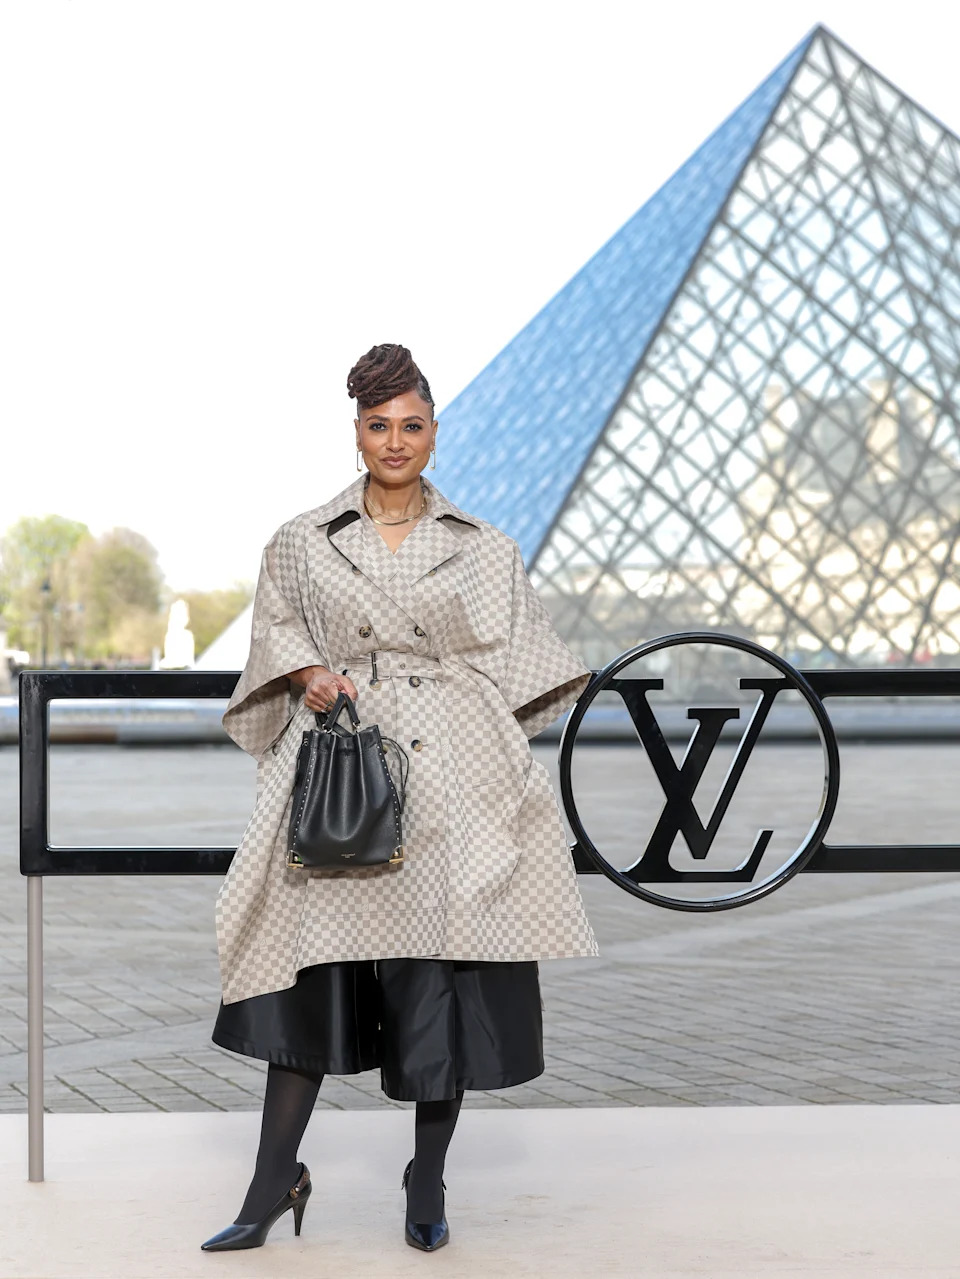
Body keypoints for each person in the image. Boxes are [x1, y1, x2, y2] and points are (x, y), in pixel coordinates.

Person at [200, 342, 599, 1255]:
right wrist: (306, 671)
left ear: (435, 432)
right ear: (356, 431)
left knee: (437, 983)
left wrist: (481, 747)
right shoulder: (302, 537)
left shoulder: (484, 545)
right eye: (378, 425)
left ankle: (427, 1176)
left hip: (448, 777)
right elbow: (276, 630)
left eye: (411, 425)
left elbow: (526, 666)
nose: (394, 441)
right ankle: (270, 1181)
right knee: (307, 971)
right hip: (341, 771)